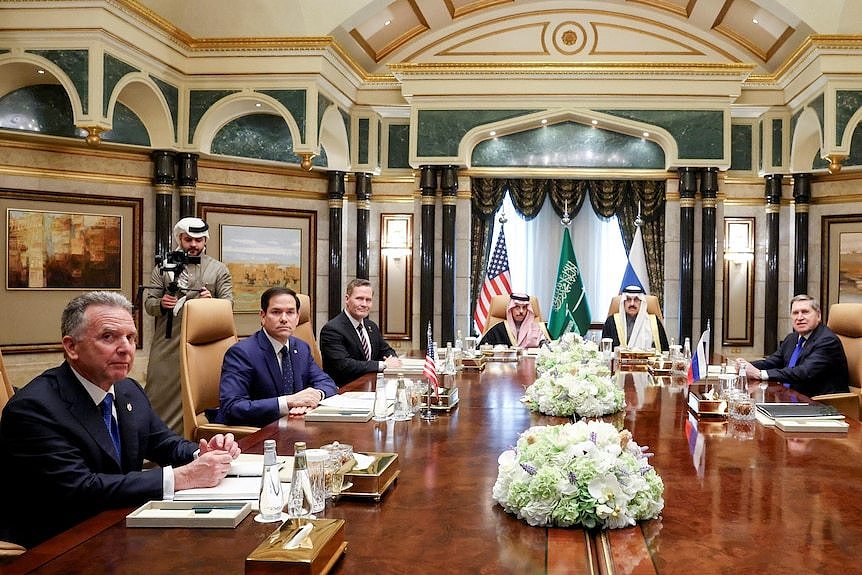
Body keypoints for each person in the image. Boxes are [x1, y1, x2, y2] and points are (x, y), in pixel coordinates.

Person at [0, 291, 240, 548]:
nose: (125, 348)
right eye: (108, 337)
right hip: (59, 541)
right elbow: (81, 489)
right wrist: (183, 477)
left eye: (130, 337)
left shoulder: (128, 389)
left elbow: (164, 443)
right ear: (71, 347)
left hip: (118, 523)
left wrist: (202, 454)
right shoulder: (34, 408)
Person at [144, 217, 233, 434]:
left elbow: (229, 305)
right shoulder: (162, 268)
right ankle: (157, 446)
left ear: (205, 242)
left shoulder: (219, 270)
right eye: (188, 239)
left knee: (201, 392)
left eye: (198, 240)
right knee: (159, 391)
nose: (193, 245)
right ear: (180, 239)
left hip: (205, 344)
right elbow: (149, 303)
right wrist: (162, 304)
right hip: (169, 341)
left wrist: (212, 302)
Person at [218, 287, 337, 426]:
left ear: (298, 317)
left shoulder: (301, 347)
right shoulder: (242, 353)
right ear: (262, 316)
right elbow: (231, 407)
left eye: (290, 312)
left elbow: (327, 383)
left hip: (296, 426)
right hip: (259, 431)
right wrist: (288, 402)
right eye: (276, 312)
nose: (284, 319)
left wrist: (316, 395)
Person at [736, 294, 849, 397]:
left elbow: (803, 372)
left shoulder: (827, 340)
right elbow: (772, 361)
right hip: (791, 397)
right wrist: (745, 366)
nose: (799, 317)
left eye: (805, 312)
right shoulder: (792, 338)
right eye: (795, 313)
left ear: (818, 316)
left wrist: (759, 374)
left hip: (820, 404)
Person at [319, 279, 402, 387]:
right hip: (345, 391)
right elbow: (344, 365)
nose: (364, 304)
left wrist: (393, 359)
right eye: (359, 299)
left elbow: (386, 350)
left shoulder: (371, 326)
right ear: (347, 299)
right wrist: (383, 365)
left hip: (371, 386)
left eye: (368, 300)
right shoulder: (332, 329)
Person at [602, 285, 669, 352]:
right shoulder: (611, 322)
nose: (632, 304)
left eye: (636, 300)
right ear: (623, 302)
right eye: (628, 299)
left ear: (641, 302)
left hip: (647, 362)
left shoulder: (654, 322)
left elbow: (665, 350)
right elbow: (604, 350)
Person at [479, 292, 550, 348]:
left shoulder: (538, 329)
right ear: (511, 309)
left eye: (524, 307)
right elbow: (482, 350)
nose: (521, 311)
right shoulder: (497, 330)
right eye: (517, 307)